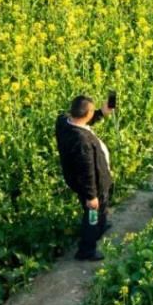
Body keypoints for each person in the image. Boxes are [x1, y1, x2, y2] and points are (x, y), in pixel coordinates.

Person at [55, 95, 114, 261]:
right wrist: (91, 196)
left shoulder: (63, 122)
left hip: (76, 180)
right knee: (93, 213)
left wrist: (101, 113)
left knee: (98, 213)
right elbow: (87, 172)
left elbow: (81, 120)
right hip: (93, 186)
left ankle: (99, 226)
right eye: (91, 112)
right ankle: (87, 249)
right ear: (86, 114)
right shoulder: (82, 142)